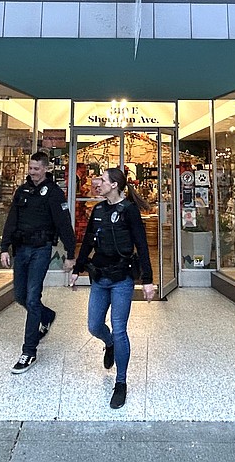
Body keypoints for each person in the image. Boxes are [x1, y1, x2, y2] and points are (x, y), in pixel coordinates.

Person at [69, 167, 156, 409]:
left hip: (122, 279)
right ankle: (109, 344)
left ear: (115, 185)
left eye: (103, 181)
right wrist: (77, 269)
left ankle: (121, 382)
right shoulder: (97, 210)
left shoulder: (129, 211)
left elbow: (142, 245)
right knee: (94, 325)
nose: (98, 184)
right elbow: (87, 242)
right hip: (100, 278)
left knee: (120, 329)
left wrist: (147, 280)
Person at [0, 151, 75, 374]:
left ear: (45, 169)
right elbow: (11, 220)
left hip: (41, 250)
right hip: (21, 249)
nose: (32, 172)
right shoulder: (22, 191)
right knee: (20, 296)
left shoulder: (53, 193)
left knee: (32, 298)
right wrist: (4, 248)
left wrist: (71, 253)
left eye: (36, 169)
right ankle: (47, 316)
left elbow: (63, 223)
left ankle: (29, 351)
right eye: (30, 168)